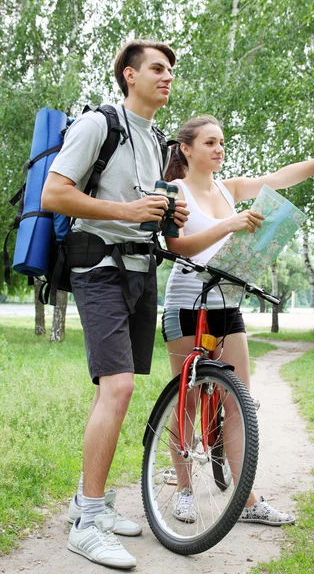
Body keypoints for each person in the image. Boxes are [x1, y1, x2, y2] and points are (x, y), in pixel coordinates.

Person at [162, 115, 314, 526]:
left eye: (222, 142)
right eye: (210, 142)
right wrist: (229, 224)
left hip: (227, 302)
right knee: (189, 400)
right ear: (187, 148)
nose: (219, 149)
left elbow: (279, 178)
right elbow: (177, 245)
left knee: (238, 402)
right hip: (186, 303)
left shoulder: (227, 188)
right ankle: (183, 491)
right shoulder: (176, 191)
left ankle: (247, 501)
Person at [41, 39, 189, 569]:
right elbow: (54, 195)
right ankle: (85, 522)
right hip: (98, 266)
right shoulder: (97, 125)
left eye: (171, 69)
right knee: (118, 385)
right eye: (157, 68)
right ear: (129, 75)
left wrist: (166, 215)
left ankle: (95, 505)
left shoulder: (155, 141)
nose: (167, 76)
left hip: (139, 270)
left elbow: (143, 210)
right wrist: (129, 210)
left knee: (119, 390)